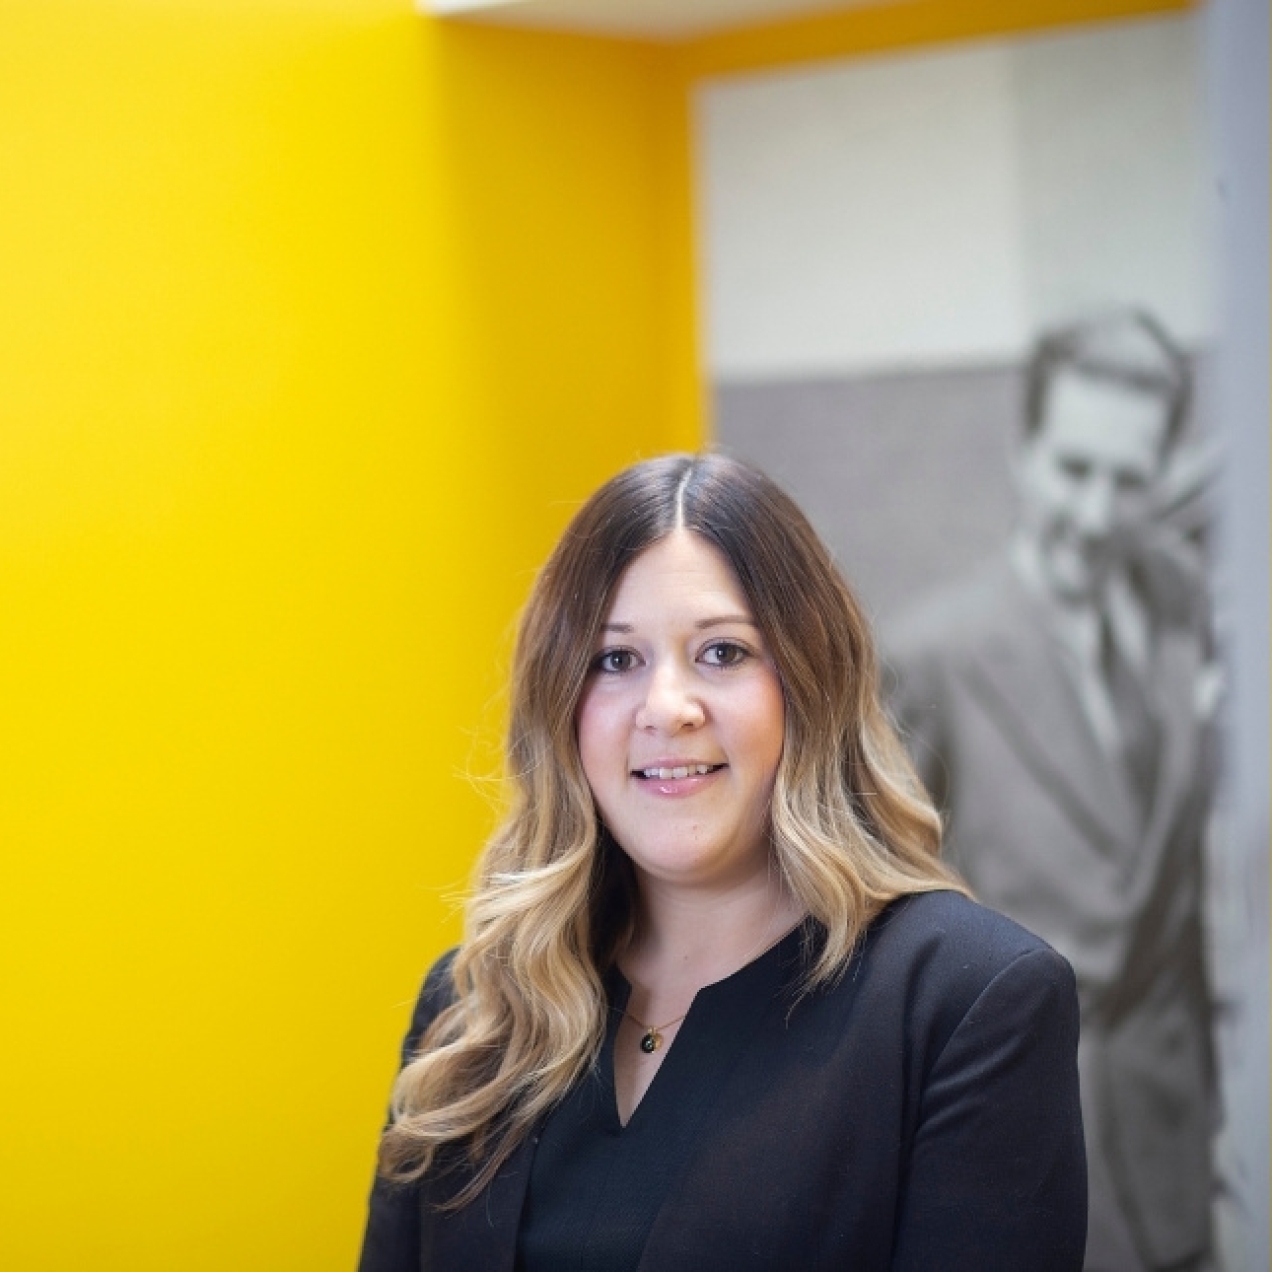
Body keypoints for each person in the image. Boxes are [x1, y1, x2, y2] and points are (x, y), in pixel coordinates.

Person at [359, 453, 1086, 1271]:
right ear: (560, 702)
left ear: (810, 683)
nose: (666, 708)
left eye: (723, 652)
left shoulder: (969, 1005)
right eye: (616, 659)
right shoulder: (472, 1010)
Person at [886, 311, 1215, 1272]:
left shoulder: (1186, 612)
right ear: (1024, 454)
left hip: (1177, 1146)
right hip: (1017, 1142)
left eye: (1130, 479)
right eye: (1074, 471)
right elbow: (880, 922)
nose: (1098, 514)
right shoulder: (932, 656)